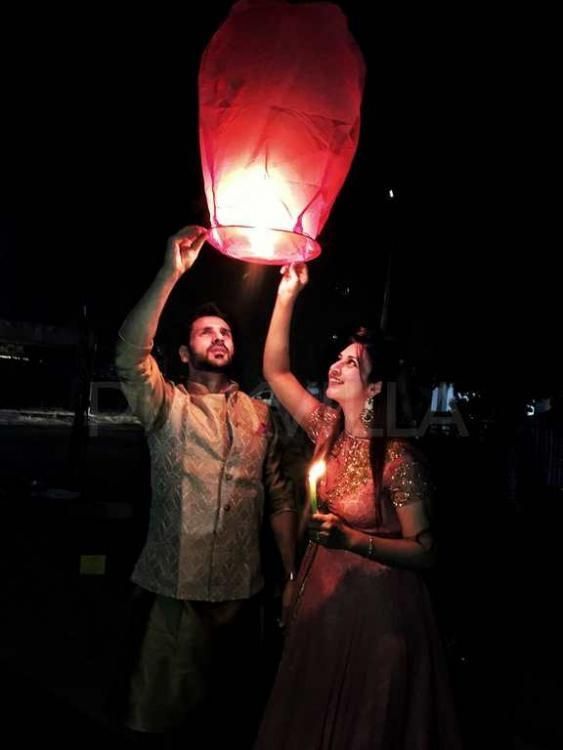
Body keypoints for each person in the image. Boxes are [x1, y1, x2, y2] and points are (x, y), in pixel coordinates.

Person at [254, 263, 462, 749]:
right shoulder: (327, 429)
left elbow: (426, 550)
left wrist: (354, 540)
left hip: (376, 617)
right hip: (322, 605)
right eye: (339, 357)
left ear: (373, 390)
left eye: (351, 362)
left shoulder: (397, 457)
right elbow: (275, 371)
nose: (337, 365)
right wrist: (287, 294)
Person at [113, 225, 297, 744]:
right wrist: (171, 272)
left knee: (228, 726)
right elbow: (128, 356)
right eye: (205, 332)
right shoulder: (164, 406)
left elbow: (280, 496)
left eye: (226, 332)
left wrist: (288, 577)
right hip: (174, 597)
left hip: (243, 598)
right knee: (155, 723)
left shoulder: (260, 415)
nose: (219, 337)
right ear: (184, 354)